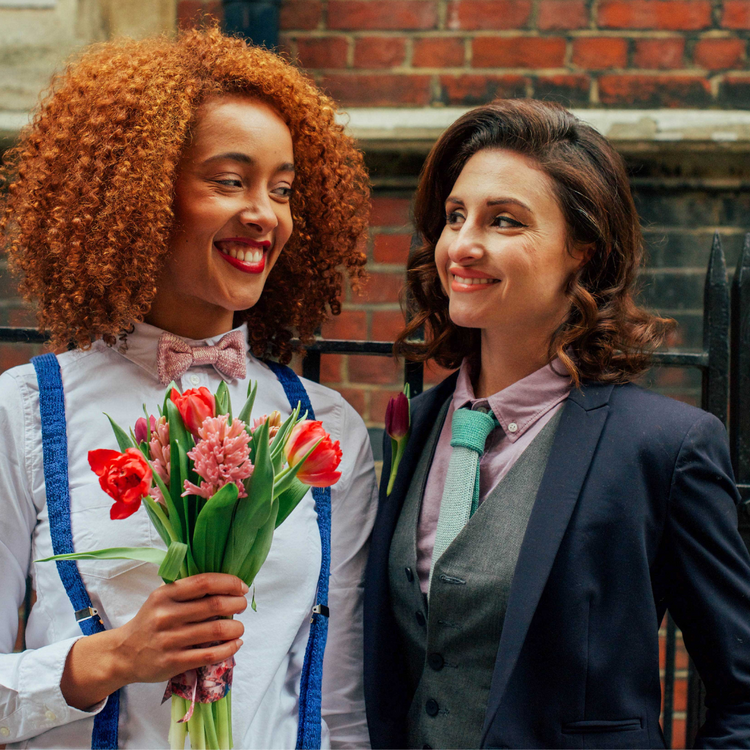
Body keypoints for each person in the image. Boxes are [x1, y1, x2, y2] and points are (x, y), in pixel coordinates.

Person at [0, 27, 377, 749]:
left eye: (284, 189)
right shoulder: (25, 412)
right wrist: (102, 660)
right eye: (230, 181)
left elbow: (339, 705)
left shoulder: (324, 428)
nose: (265, 213)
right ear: (137, 195)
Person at [363, 99, 750, 749]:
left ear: (582, 251)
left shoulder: (662, 448)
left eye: (504, 221)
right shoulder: (418, 423)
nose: (462, 244)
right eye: (455, 216)